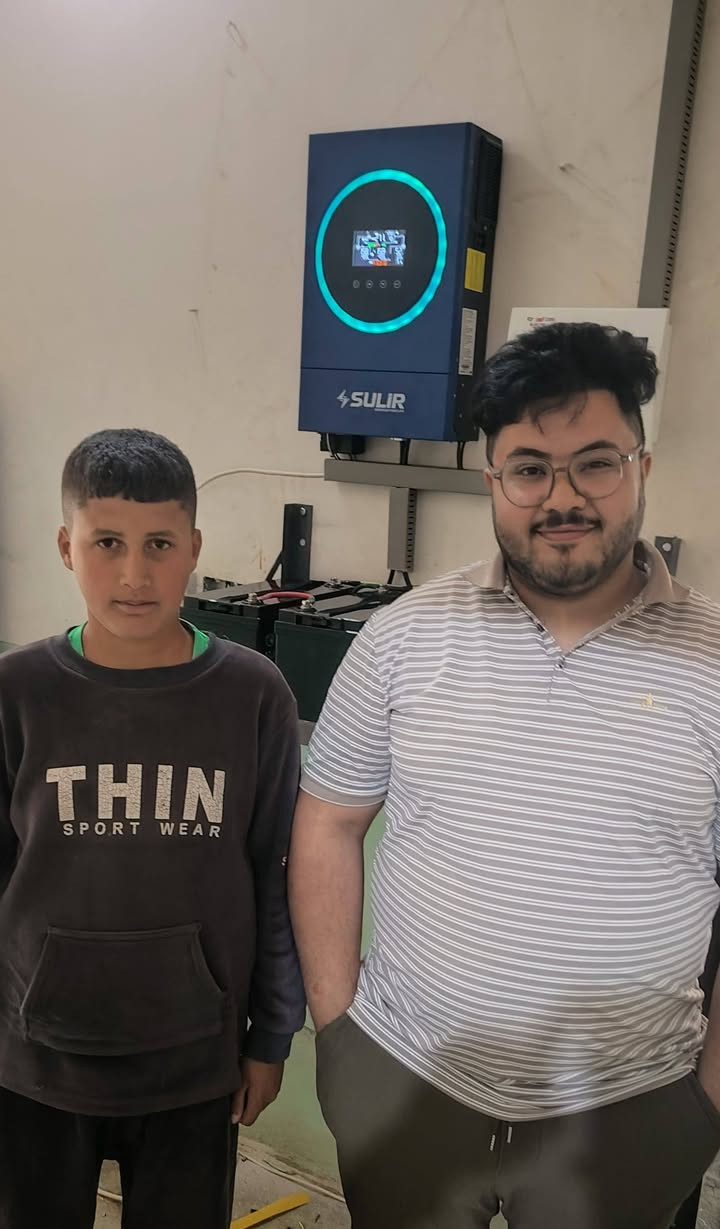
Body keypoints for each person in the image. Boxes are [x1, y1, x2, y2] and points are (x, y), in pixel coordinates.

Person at [289, 323, 720, 1229]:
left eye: (595, 463)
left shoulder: (713, 662)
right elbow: (329, 821)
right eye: (529, 468)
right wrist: (339, 1033)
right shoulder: (403, 637)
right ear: (493, 480)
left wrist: (704, 1101)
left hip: (628, 1111)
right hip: (404, 1084)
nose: (562, 497)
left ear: (641, 467)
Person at [0, 428, 305, 1229]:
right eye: (107, 542)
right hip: (36, 1060)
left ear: (193, 547)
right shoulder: (18, 691)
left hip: (194, 1063)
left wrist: (271, 1036)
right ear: (66, 547)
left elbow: (275, 876)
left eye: (159, 544)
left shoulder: (253, 695)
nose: (134, 573)